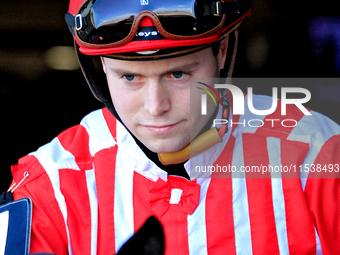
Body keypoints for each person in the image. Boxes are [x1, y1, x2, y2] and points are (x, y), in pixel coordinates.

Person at [9, 0, 340, 254]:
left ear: (222, 51)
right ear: (101, 68)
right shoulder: (48, 186)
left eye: (178, 74)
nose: (156, 107)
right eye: (130, 77)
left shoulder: (316, 153)